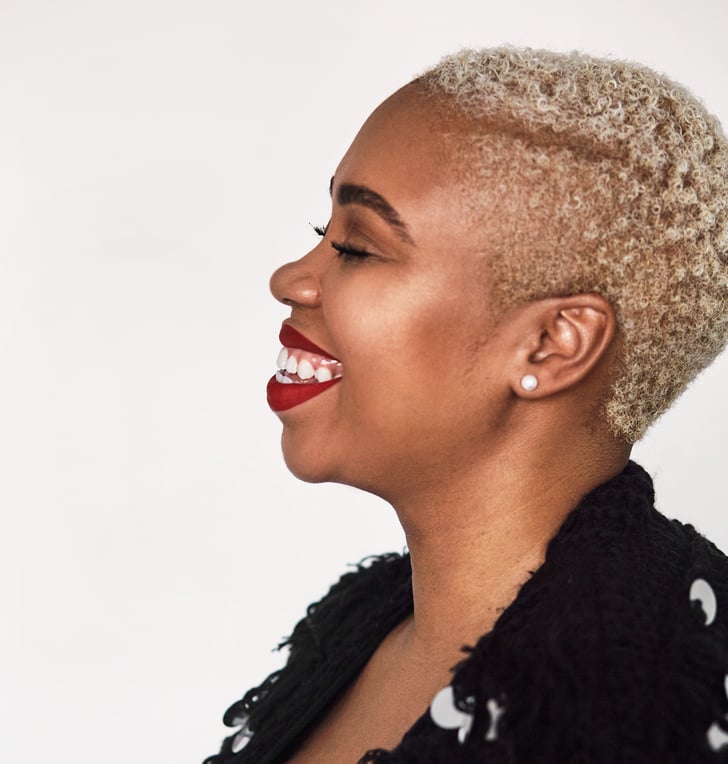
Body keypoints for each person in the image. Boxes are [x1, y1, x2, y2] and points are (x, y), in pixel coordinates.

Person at [204, 47, 728, 763]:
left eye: (356, 246)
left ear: (551, 344)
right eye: (320, 233)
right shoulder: (366, 620)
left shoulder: (635, 712)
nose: (289, 278)